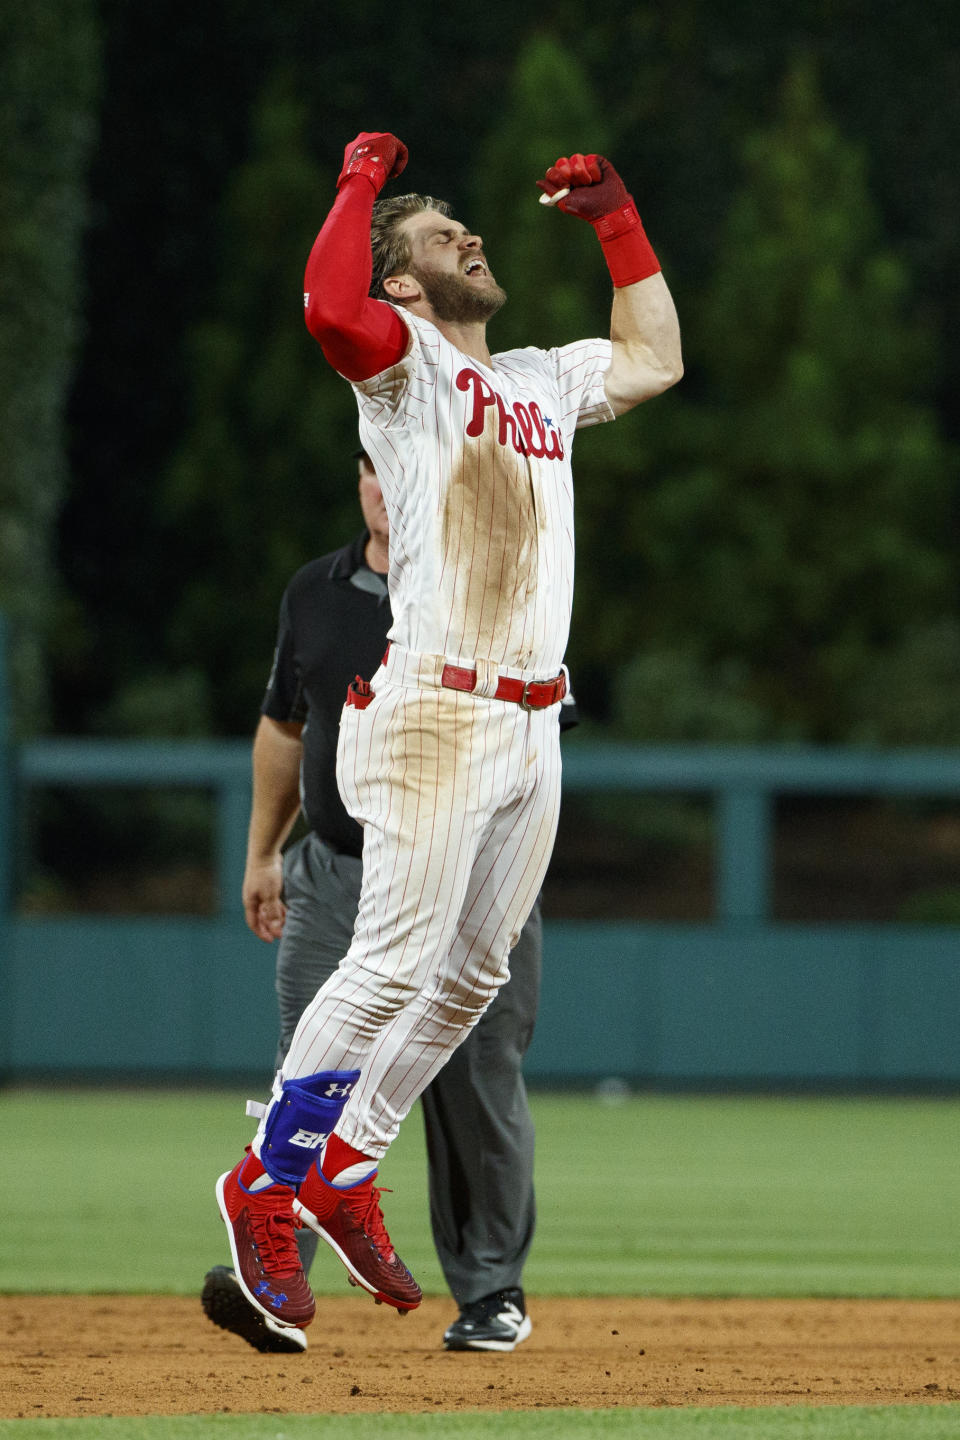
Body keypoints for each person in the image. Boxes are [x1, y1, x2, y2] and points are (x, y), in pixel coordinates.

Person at [214, 132, 682, 1339]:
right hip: (431, 707)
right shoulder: (401, 364)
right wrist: (361, 187)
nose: (468, 236)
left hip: (532, 721)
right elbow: (328, 304)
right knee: (389, 967)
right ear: (405, 285)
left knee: (472, 976)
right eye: (439, 238)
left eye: (462, 227)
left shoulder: (535, 377)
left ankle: (346, 1162)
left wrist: (617, 221)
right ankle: (267, 1181)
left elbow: (655, 360)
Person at [204, 449, 575, 1353]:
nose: (384, 483)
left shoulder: (494, 576)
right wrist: (262, 852)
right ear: (360, 479)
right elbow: (284, 725)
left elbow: (535, 734)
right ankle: (275, 1280)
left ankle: (491, 1293)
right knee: (311, 1063)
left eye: (401, 467)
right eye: (371, 466)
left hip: (466, 862)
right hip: (338, 868)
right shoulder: (317, 592)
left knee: (477, 1078)